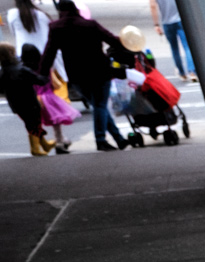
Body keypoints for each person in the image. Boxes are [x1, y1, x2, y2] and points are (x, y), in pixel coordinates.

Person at [39, 0, 126, 149]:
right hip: (100, 71)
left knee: (99, 106)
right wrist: (126, 46)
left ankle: (119, 139)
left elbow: (49, 53)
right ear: (76, 10)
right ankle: (101, 140)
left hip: (76, 75)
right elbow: (112, 39)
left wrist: (42, 74)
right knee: (100, 105)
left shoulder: (56, 28)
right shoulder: (90, 25)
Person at [0, 39, 55, 153]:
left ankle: (43, 144)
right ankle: (35, 148)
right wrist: (45, 73)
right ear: (11, 53)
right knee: (34, 123)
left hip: (15, 104)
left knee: (30, 123)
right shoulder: (21, 70)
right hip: (30, 101)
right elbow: (40, 81)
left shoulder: (3, 72)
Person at [148, 0, 193, 83]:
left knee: (174, 48)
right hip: (180, 19)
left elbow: (153, 6)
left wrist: (156, 24)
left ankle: (182, 73)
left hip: (167, 22)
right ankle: (192, 71)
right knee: (187, 46)